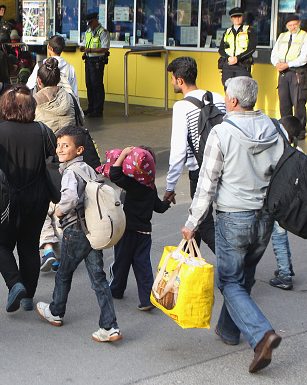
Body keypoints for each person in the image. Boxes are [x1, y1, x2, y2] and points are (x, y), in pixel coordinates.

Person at [181, 76, 284, 373]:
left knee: (229, 282)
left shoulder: (221, 132)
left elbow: (207, 183)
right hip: (265, 217)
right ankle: (228, 331)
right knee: (244, 276)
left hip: (233, 217)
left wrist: (192, 221)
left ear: (234, 101)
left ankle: (262, 334)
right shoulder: (273, 127)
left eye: (226, 96)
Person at [36, 126, 122, 342]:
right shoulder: (88, 169)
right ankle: (110, 326)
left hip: (75, 230)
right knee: (99, 278)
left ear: (79, 149)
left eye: (66, 146)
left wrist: (58, 210)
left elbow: (71, 198)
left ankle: (56, 311)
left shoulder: (70, 173)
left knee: (64, 273)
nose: (60, 149)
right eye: (58, 145)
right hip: (93, 229)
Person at [0, 86, 55, 312]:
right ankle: (27, 298)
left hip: (5, 199)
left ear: (6, 107)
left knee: (0, 244)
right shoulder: (43, 131)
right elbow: (54, 161)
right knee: (29, 246)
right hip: (38, 197)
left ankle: (15, 283)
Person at [164, 56, 226, 253]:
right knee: (198, 217)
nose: (172, 82)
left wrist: (170, 186)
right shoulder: (217, 97)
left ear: (180, 80)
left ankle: (233, 267)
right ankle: (188, 259)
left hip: (199, 171)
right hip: (223, 164)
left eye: (172, 79)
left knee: (204, 222)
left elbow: (178, 152)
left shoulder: (181, 107)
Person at [108, 146, 170, 310]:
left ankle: (116, 289)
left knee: (121, 261)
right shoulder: (150, 186)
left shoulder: (130, 183)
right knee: (143, 264)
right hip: (144, 232)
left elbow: (114, 173)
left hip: (126, 230)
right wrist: (168, 201)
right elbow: (159, 207)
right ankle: (147, 299)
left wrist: (122, 154)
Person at [33, 57, 78, 271]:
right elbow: (80, 128)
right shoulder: (69, 99)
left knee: (43, 206)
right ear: (59, 80)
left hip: (45, 161)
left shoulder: (33, 103)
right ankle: (61, 255)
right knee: (63, 207)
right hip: (70, 161)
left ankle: (49, 247)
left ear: (39, 82)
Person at [268, 115, 302, 290]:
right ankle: (287, 267)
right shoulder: (296, 149)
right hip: (289, 200)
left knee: (278, 236)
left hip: (278, 199)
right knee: (282, 233)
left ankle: (285, 275)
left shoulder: (279, 145)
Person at [270, 14, 307, 140]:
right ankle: (285, 129)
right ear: (287, 26)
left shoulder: (304, 36)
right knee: (284, 102)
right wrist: (277, 64)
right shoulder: (282, 36)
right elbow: (274, 54)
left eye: (295, 24)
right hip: (283, 74)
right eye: (290, 25)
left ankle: (300, 132)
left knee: (298, 103)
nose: (293, 27)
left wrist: (287, 64)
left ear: (299, 24)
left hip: (296, 73)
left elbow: (304, 58)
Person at [79, 12, 109, 117]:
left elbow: (105, 48)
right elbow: (84, 43)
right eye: (88, 23)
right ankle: (91, 107)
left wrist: (91, 50)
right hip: (88, 60)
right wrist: (82, 48)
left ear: (96, 20)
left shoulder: (103, 32)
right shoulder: (87, 32)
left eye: (91, 22)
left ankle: (98, 109)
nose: (89, 25)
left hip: (97, 61)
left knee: (97, 85)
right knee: (89, 84)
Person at [218, 7, 256, 86]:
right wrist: (229, 58)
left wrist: (237, 58)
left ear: (243, 17)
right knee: (228, 90)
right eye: (235, 17)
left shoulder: (249, 31)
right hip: (228, 65)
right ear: (231, 19)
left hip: (242, 65)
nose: (237, 19)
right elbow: (221, 50)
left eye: (239, 16)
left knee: (242, 91)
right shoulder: (227, 32)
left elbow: (251, 48)